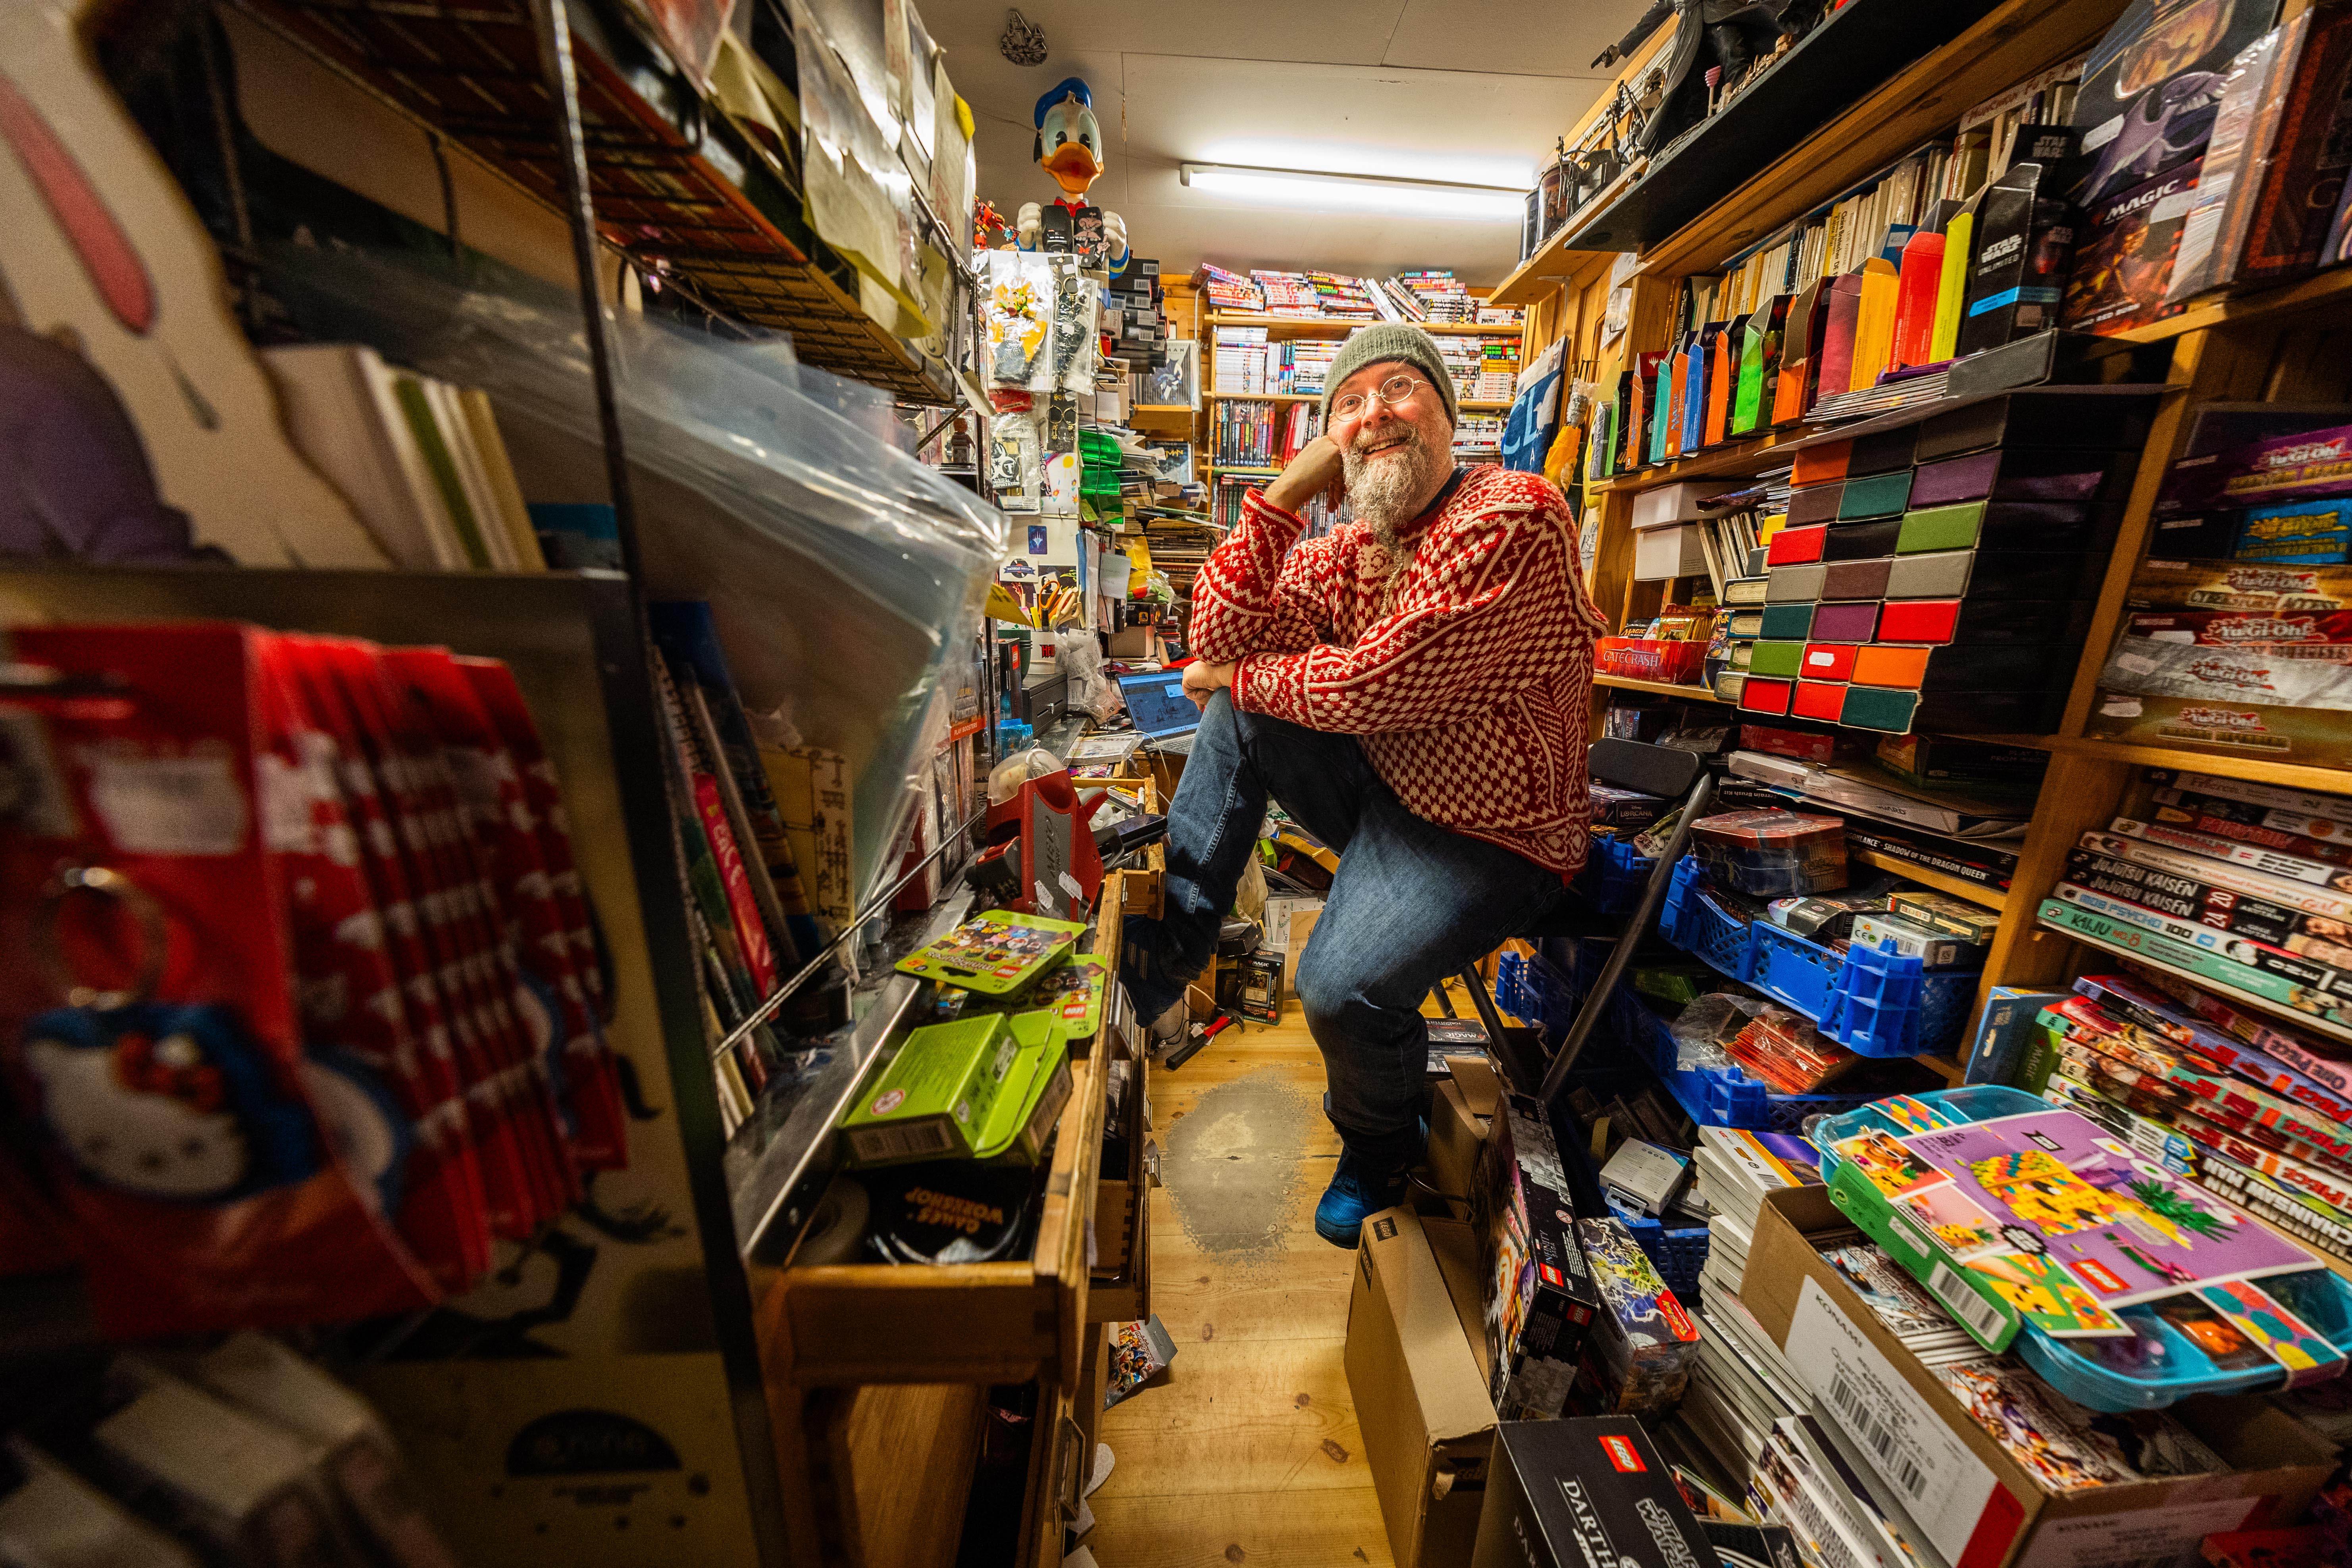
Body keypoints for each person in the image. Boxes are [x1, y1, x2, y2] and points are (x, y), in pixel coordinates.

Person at [1119, 323, 1606, 1247]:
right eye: (1348, 403)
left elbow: (1378, 685)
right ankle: (1172, 949)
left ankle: (1379, 1145)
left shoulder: (1514, 512)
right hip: (1394, 797)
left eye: (1397, 388)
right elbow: (1216, 634)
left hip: (1498, 837)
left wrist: (1236, 676)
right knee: (1241, 711)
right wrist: (1283, 494)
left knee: (1337, 989)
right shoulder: (1350, 544)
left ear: (1447, 416)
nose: (1373, 413)